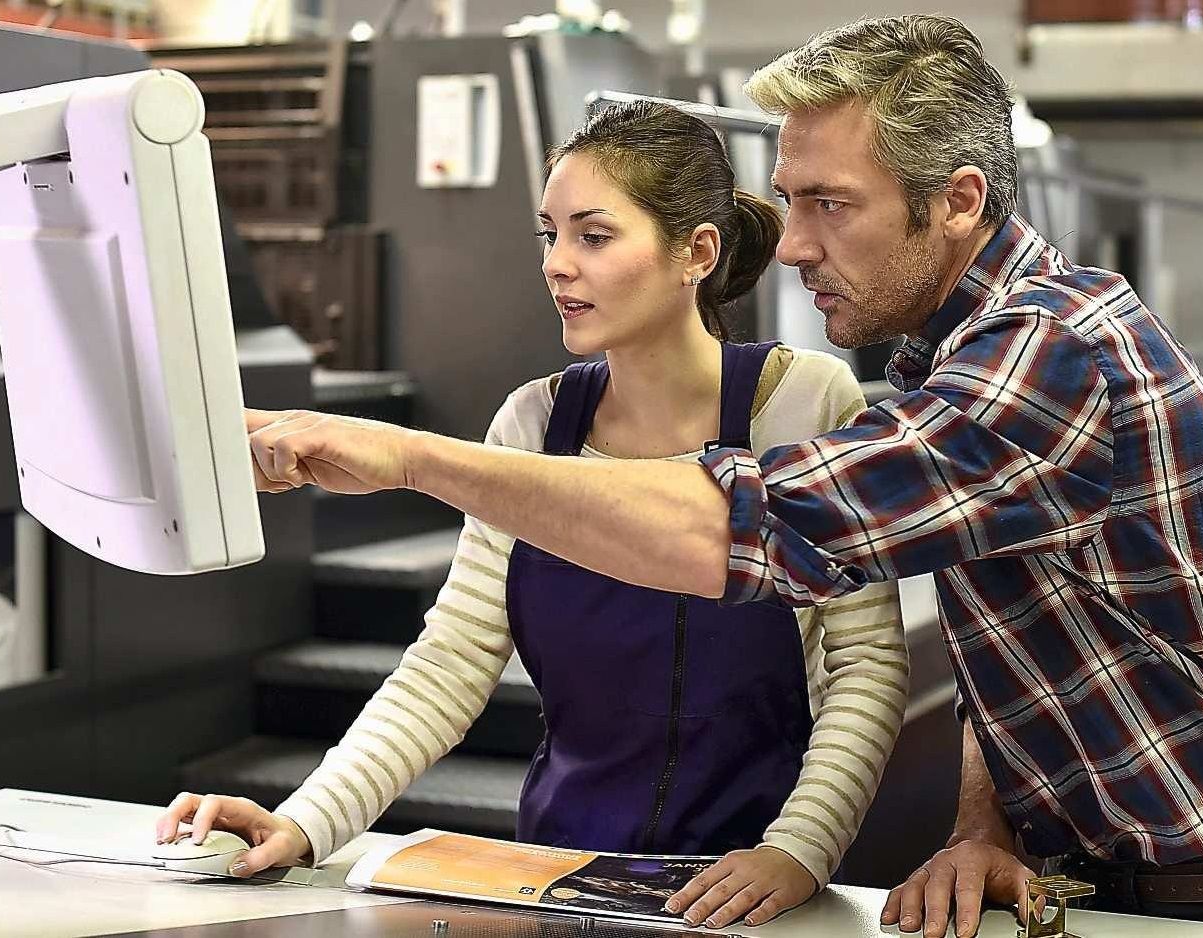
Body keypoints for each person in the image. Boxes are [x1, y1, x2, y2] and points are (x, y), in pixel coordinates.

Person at [231, 14, 1203, 935]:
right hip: (1096, 872)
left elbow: (746, 529)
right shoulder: (938, 358)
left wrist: (412, 458)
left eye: (830, 204)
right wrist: (984, 816)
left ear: (957, 201)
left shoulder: (1049, 360)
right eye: (787, 199)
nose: (791, 246)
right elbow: (1011, 645)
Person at [157, 100, 907, 929]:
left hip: (745, 879)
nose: (556, 264)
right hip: (557, 870)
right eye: (549, 235)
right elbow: (450, 662)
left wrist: (797, 851)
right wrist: (305, 821)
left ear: (695, 252)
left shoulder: (804, 402)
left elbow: (865, 665)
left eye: (592, 235)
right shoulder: (529, 424)